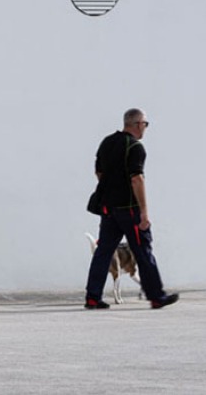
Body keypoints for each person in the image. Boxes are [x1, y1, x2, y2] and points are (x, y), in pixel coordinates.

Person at [84, 107, 178, 310]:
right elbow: (137, 179)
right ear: (136, 124)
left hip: (109, 209)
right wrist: (144, 212)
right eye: (145, 124)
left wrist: (111, 191)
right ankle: (156, 296)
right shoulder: (135, 147)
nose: (145, 128)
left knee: (103, 253)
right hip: (129, 210)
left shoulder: (107, 143)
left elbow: (99, 172)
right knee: (143, 251)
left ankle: (92, 297)